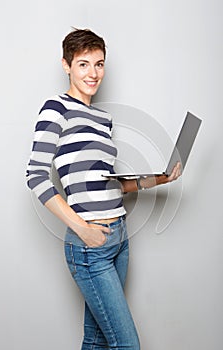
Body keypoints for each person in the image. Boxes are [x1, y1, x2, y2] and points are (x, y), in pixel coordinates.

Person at [26, 28, 181, 350]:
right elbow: (36, 176)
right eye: (83, 64)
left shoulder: (102, 119)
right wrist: (83, 229)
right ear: (66, 65)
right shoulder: (57, 108)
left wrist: (162, 178)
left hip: (119, 238)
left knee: (96, 339)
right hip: (89, 245)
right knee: (127, 345)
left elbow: (110, 185)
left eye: (99, 64)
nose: (92, 73)